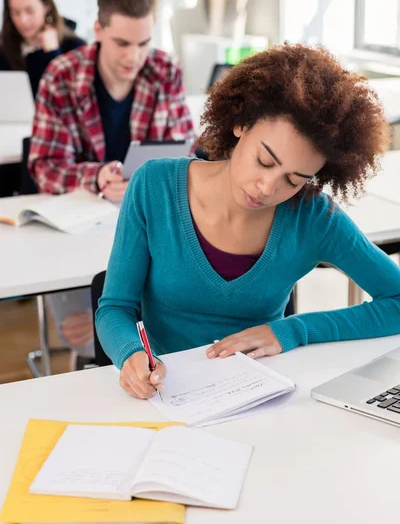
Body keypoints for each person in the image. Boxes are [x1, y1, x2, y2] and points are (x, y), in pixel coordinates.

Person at [95, 43, 400, 399]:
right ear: (241, 124)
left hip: (261, 397)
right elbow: (115, 308)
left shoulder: (314, 216)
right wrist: (131, 355)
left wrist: (293, 330)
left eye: (294, 179)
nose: (268, 187)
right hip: (165, 393)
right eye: (264, 161)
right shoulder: (154, 186)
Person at [28, 0, 195, 369]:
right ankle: (101, 357)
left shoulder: (165, 68)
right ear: (98, 31)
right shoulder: (62, 74)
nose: (134, 56)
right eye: (122, 43)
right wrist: (96, 176)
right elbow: (44, 167)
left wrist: (141, 185)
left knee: (149, 316)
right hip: (79, 226)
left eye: (143, 43)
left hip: (150, 220)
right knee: (83, 333)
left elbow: (185, 152)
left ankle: (129, 342)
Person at [0, 0, 85, 97]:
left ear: (46, 6)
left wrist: (53, 53)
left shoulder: (74, 47)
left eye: (30, 11)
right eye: (16, 12)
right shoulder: (5, 49)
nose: (23, 20)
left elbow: (74, 99)